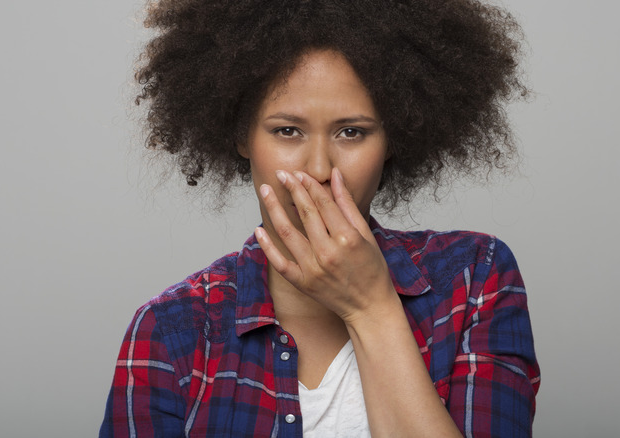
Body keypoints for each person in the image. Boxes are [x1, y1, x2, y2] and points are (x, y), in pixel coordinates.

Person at [100, 0, 540, 436]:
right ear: (241, 136)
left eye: (352, 132)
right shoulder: (173, 329)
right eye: (287, 130)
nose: (317, 168)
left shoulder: (475, 279)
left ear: (393, 139)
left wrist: (371, 308)